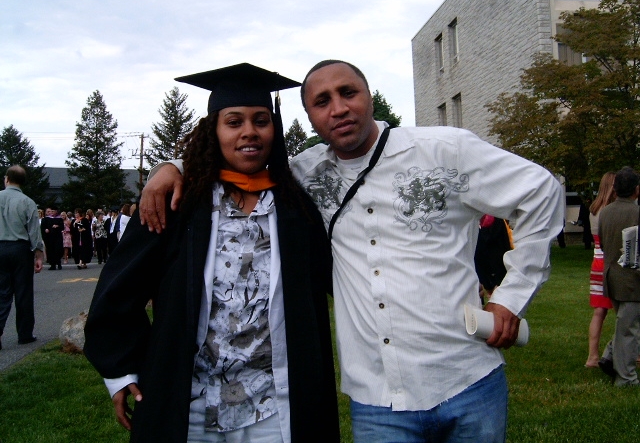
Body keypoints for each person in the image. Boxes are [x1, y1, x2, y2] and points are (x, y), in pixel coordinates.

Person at [140, 60, 563, 442]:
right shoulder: (303, 175)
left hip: (468, 380)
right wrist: (171, 168)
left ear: (370, 96)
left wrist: (511, 295)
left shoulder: (445, 150)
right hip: (378, 399)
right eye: (321, 102)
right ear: (309, 118)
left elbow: (541, 192)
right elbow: (241, 160)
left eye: (348, 93)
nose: (338, 108)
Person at [84, 63, 340, 442]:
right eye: (233, 122)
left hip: (275, 407)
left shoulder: (296, 209)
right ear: (214, 132)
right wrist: (121, 372)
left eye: (261, 121)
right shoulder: (179, 204)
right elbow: (119, 288)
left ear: (274, 130)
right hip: (190, 405)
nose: (249, 132)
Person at [598, 167, 640, 386]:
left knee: (625, 324)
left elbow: (604, 245)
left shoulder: (605, 213)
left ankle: (609, 355)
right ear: (636, 189)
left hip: (611, 276)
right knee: (629, 329)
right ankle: (626, 377)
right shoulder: (636, 213)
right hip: (632, 280)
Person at [0, 165, 44, 349]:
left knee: (2, 293)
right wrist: (38, 254)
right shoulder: (28, 202)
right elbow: (34, 231)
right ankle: (25, 333)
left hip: (1, 246)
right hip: (20, 248)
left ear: (7, 179)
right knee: (23, 292)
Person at [585, 172, 616, 368]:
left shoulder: (594, 209)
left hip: (597, 262)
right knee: (625, 310)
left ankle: (592, 356)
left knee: (599, 312)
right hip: (610, 261)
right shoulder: (611, 210)